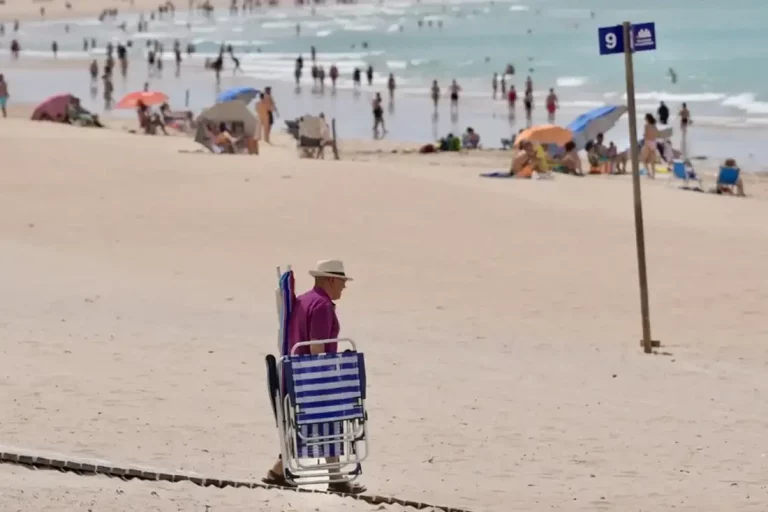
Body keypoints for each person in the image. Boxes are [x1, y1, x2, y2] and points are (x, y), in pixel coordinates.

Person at [262, 260, 366, 495]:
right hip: (313, 375)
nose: (344, 287)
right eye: (342, 281)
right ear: (330, 279)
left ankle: (284, 471)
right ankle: (334, 477)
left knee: (308, 423)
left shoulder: (304, 300)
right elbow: (317, 348)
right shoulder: (321, 306)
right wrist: (332, 375)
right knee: (328, 420)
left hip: (295, 375)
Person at [641, 113, 659, 179]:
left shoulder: (646, 125)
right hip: (653, 142)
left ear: (647, 119)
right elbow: (657, 134)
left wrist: (644, 136)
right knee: (652, 160)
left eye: (645, 119)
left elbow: (645, 135)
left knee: (644, 159)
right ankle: (653, 175)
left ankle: (648, 173)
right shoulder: (654, 126)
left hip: (648, 142)